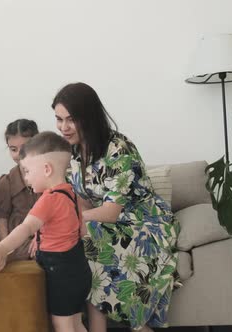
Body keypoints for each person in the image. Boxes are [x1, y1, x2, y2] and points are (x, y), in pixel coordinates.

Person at [51, 82, 179, 332]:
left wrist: (74, 220)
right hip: (106, 223)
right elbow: (83, 200)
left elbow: (111, 211)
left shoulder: (119, 148)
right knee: (80, 241)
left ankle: (136, 326)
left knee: (91, 241)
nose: (63, 127)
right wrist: (74, 223)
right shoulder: (73, 151)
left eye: (70, 120)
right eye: (58, 119)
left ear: (88, 117)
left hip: (145, 223)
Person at [0, 131, 92, 332]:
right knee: (76, 322)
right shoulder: (71, 193)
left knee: (62, 324)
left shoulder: (48, 198)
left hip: (60, 272)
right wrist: (42, 237)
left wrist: (2, 247)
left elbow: (25, 227)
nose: (25, 178)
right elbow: (81, 230)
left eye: (27, 171)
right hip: (79, 269)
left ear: (46, 169)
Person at [0, 119, 40, 260]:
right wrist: (6, 249)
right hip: (18, 244)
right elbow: (2, 222)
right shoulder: (6, 183)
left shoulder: (49, 176)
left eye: (25, 147)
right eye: (13, 149)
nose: (19, 154)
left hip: (45, 240)